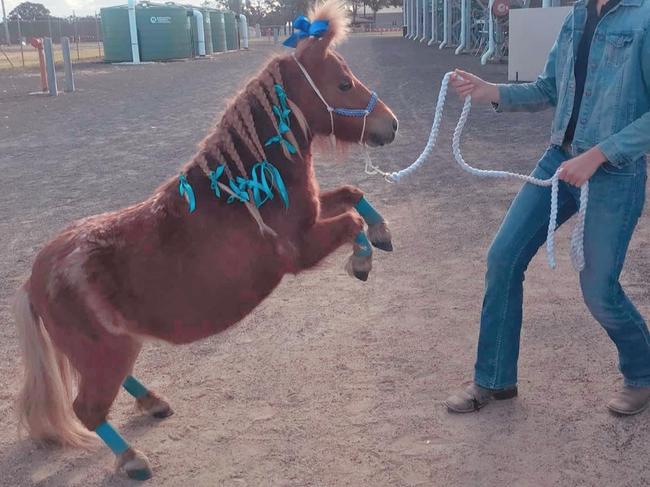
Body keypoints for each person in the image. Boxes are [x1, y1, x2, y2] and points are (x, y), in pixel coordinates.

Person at [445, 0, 650, 415]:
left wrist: (598, 155)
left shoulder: (644, 16)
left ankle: (641, 373)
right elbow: (549, 89)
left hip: (613, 172)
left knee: (598, 290)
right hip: (559, 160)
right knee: (503, 257)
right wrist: (491, 91)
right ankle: (495, 379)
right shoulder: (577, 15)